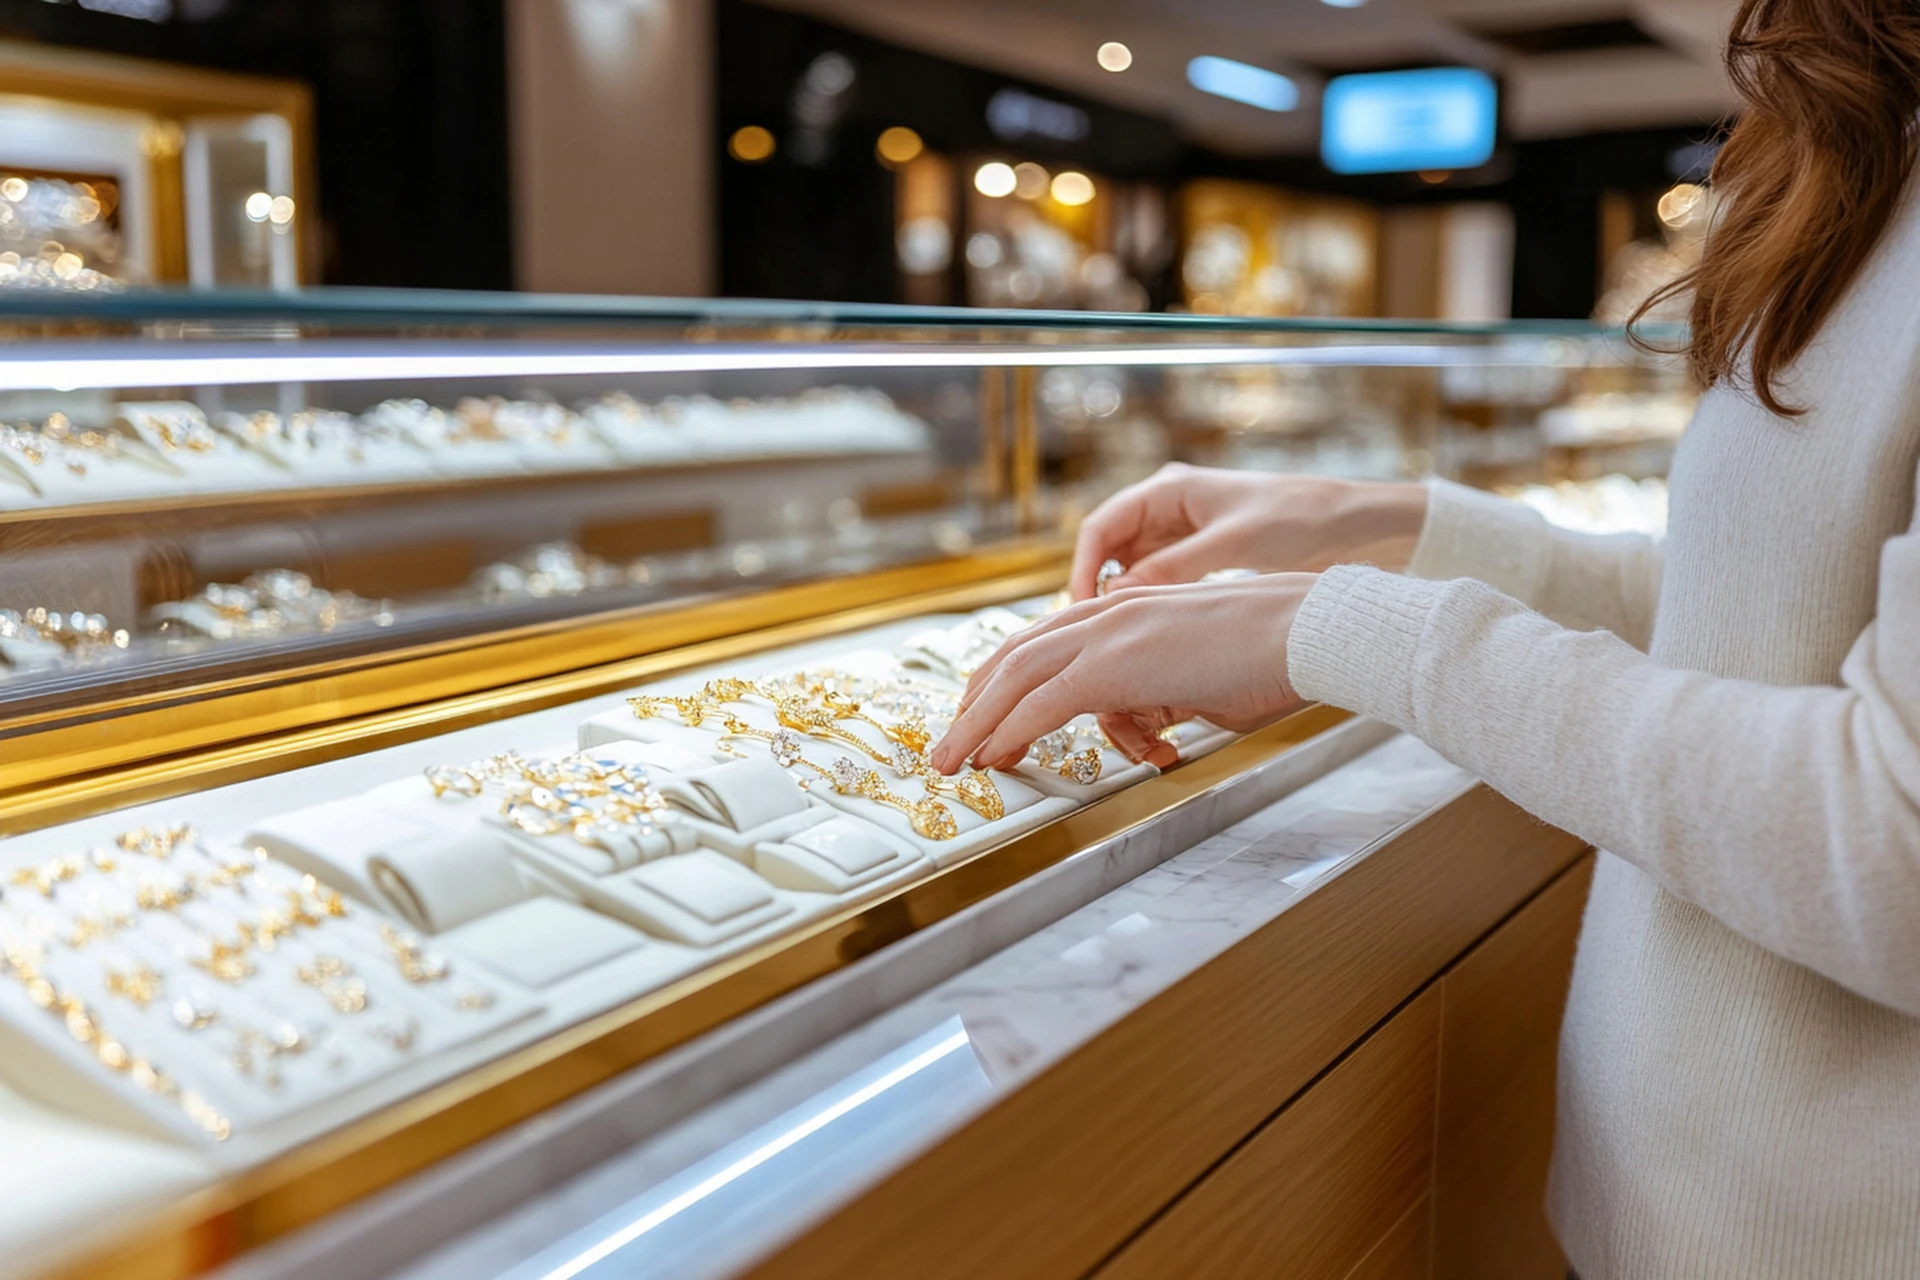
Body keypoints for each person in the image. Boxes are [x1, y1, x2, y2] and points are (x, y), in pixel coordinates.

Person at [929, 1, 1920, 1275]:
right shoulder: (1866, 145)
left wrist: (1351, 631)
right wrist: (1381, 522)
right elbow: (1771, 611)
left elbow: (1896, 843)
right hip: (1688, 1205)